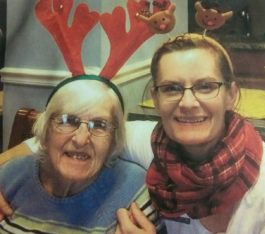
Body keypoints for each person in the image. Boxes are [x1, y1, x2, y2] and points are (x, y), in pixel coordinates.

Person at [1, 33, 265, 233]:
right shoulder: (152, 145)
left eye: (206, 86)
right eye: (171, 88)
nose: (187, 102)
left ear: (231, 95)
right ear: (155, 99)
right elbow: (55, 140)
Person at [0, 74, 157, 233]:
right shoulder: (11, 174)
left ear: (114, 141)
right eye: (68, 120)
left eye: (99, 125)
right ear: (46, 130)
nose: (81, 140)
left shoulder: (134, 193)